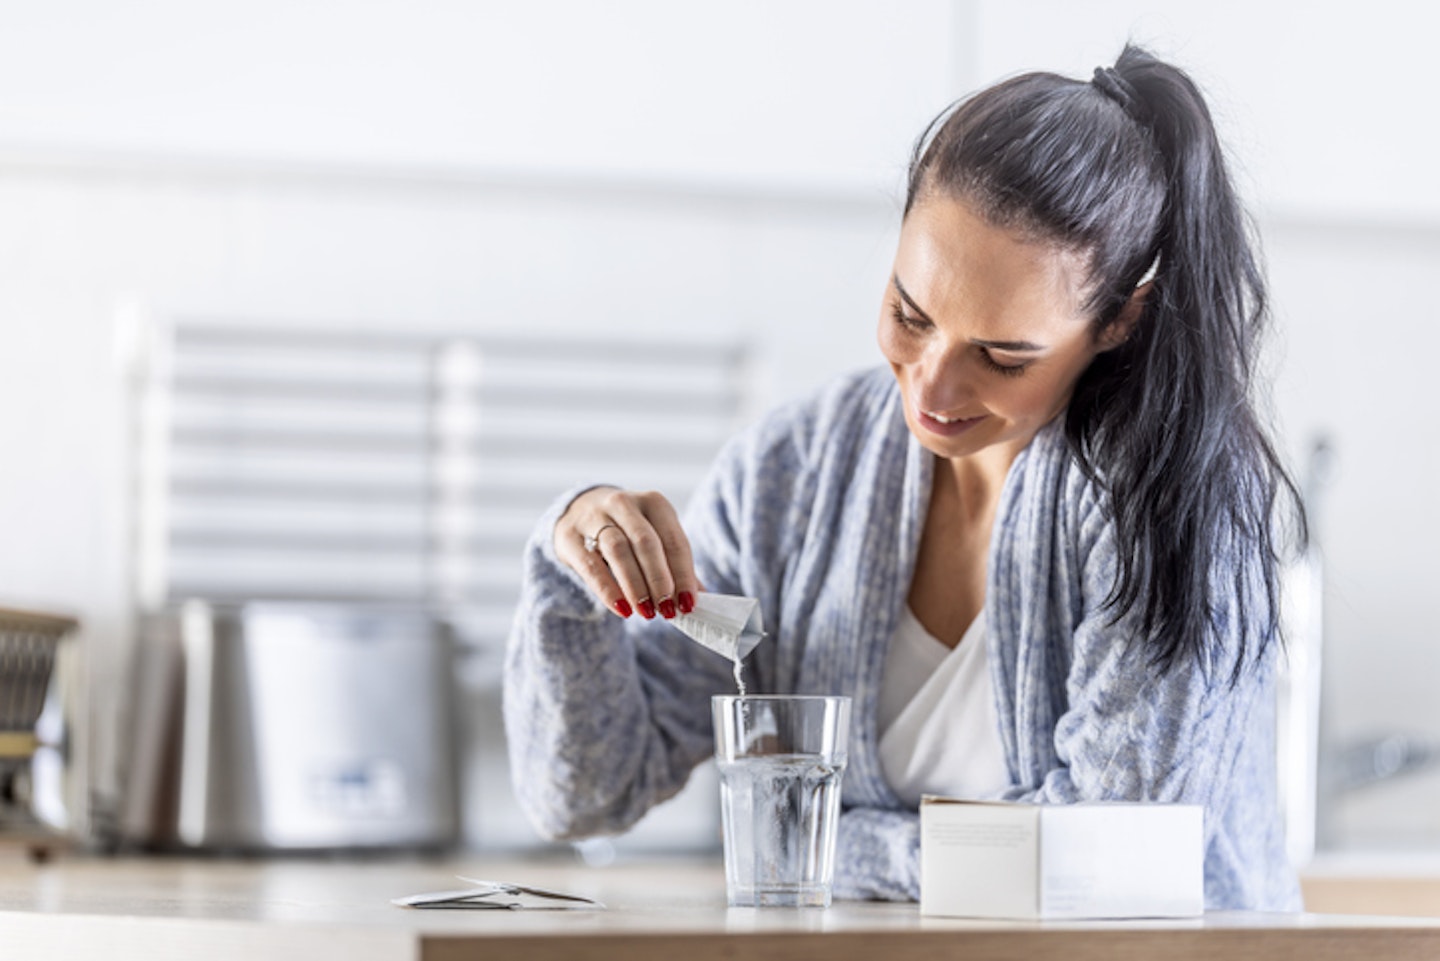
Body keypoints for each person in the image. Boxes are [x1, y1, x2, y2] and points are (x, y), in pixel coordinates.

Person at [503, 44, 1305, 910]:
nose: (930, 387)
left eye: (1002, 356)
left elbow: (1102, 859)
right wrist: (574, 558)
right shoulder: (792, 471)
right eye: (907, 313)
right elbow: (587, 794)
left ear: (1119, 320)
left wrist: (818, 842)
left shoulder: (1172, 500)